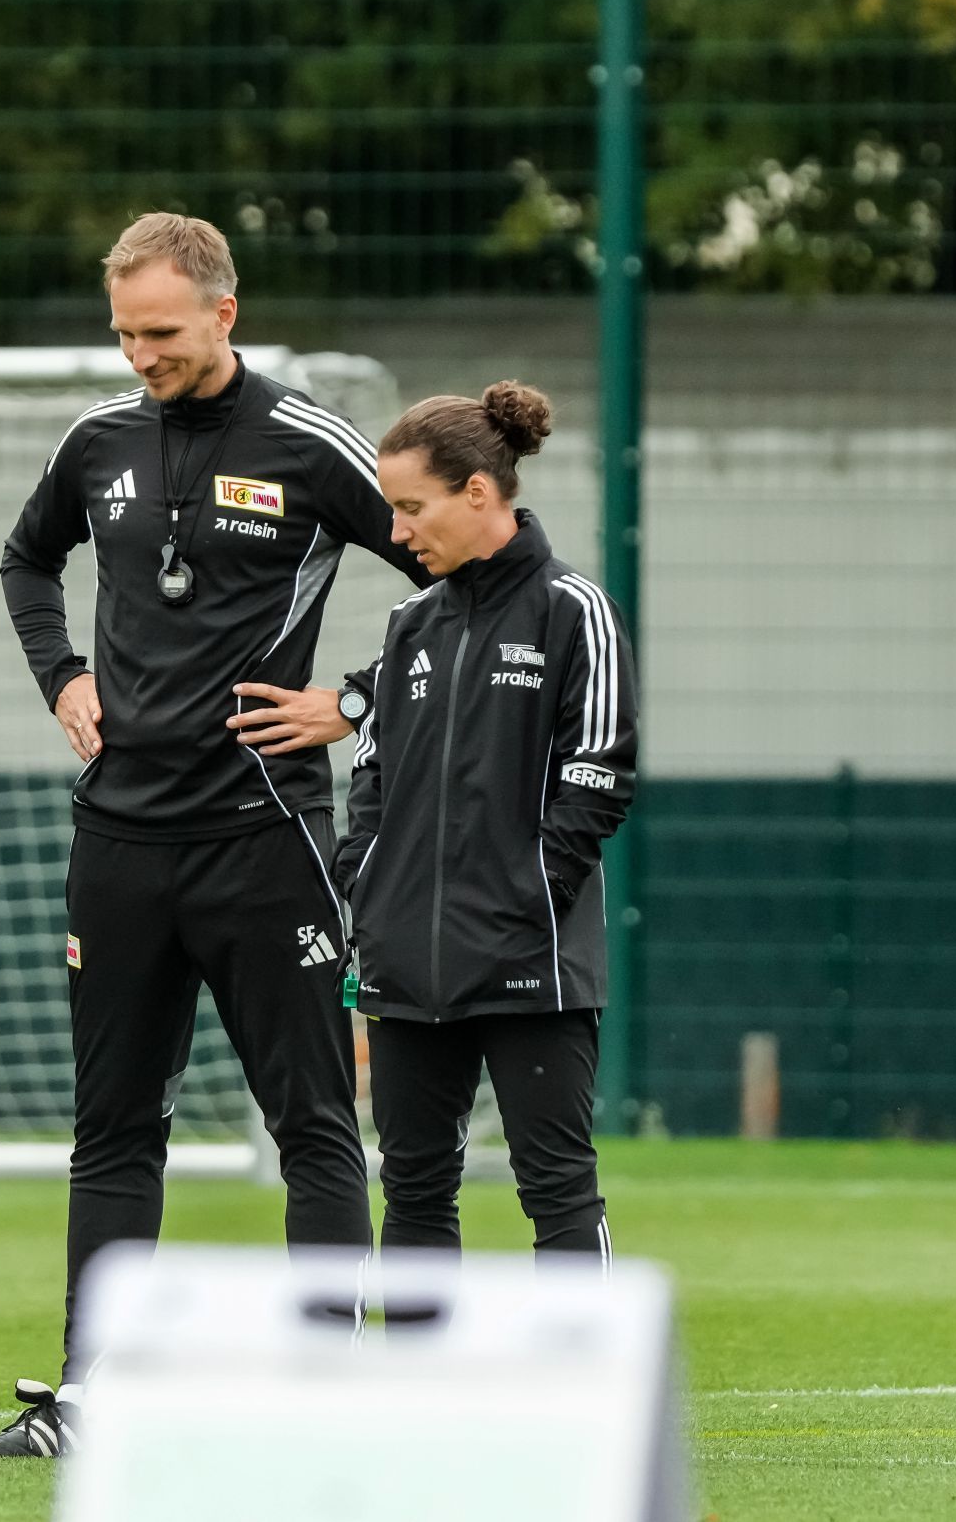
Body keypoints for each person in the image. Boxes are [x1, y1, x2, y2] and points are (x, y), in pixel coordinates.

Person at [0, 214, 434, 1459]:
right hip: (116, 840)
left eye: (160, 332)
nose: (140, 355)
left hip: (262, 835)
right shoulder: (96, 441)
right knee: (113, 1128)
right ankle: (85, 1398)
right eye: (123, 333)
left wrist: (354, 702)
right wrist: (61, 675)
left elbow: (459, 580)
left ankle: (330, 1397)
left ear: (225, 312)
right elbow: (25, 560)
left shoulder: (311, 443)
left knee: (311, 1124)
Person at [337, 381, 636, 1263]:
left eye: (410, 508)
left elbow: (599, 775)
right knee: (414, 1188)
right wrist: (370, 888)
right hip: (406, 961)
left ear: (476, 491)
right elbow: (370, 776)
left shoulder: (574, 610)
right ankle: (420, 1361)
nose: (398, 533)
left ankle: (584, 1362)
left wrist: (528, 894)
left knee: (556, 1185)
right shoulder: (408, 625)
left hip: (528, 957)